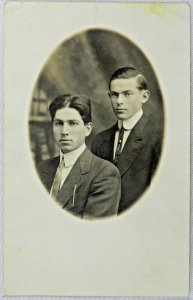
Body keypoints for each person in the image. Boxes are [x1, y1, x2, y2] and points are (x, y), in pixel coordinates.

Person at [37, 94, 121, 219]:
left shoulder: (104, 173)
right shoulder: (42, 168)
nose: (64, 131)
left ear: (88, 129)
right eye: (59, 124)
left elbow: (92, 231)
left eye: (72, 123)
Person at [91, 67, 163, 214]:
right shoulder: (99, 140)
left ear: (144, 96)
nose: (119, 101)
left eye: (127, 94)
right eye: (114, 95)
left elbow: (161, 198)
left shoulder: (158, 138)